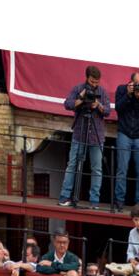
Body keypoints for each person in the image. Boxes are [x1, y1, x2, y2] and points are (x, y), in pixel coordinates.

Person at [57, 65, 110, 209]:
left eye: (97, 82)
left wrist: (97, 105)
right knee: (73, 165)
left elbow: (108, 111)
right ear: (87, 78)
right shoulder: (78, 88)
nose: (94, 84)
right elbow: (67, 104)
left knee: (96, 168)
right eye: (92, 81)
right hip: (80, 133)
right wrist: (81, 98)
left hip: (97, 134)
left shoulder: (102, 91)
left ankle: (94, 201)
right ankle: (65, 197)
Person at [113, 72, 139, 211]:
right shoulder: (121, 89)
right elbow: (118, 108)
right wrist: (128, 95)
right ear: (130, 82)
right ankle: (119, 200)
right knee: (122, 169)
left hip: (138, 136)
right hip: (124, 133)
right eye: (137, 85)